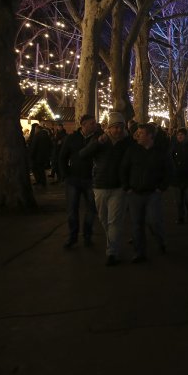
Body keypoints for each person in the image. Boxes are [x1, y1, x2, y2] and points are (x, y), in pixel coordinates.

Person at [80, 112, 132, 266]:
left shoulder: (127, 142)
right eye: (114, 127)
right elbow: (83, 154)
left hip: (119, 187)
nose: (117, 130)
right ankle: (113, 242)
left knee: (114, 221)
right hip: (100, 186)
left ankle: (112, 252)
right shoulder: (100, 141)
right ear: (108, 128)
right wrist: (96, 143)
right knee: (104, 219)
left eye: (120, 127)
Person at [120, 123, 171, 263]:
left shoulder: (159, 152)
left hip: (153, 193)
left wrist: (161, 187)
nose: (137, 136)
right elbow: (124, 168)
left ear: (150, 136)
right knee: (137, 224)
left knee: (154, 221)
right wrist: (127, 187)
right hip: (135, 193)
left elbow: (168, 171)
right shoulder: (132, 150)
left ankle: (161, 240)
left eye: (141, 133)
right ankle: (139, 252)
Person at [59, 114, 100, 249]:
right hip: (73, 179)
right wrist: (66, 175)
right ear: (83, 124)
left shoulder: (98, 139)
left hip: (90, 179)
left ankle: (87, 235)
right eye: (92, 123)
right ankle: (73, 236)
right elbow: (62, 157)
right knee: (72, 209)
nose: (94, 125)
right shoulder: (72, 138)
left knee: (91, 209)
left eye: (95, 123)